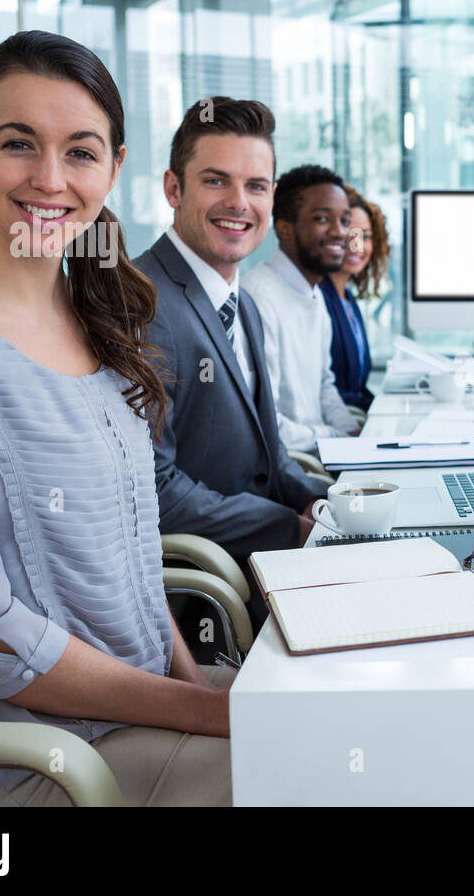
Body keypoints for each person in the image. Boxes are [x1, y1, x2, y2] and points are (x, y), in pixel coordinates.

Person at [0, 30, 233, 806]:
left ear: (115, 166)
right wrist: (204, 712)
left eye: (82, 152)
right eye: (18, 143)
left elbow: (130, 549)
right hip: (25, 761)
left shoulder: (99, 319)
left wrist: (197, 688)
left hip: (140, 714)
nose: (50, 179)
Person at [135, 98, 326, 629]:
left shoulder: (240, 303)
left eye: (257, 186)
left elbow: (271, 457)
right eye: (216, 181)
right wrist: (290, 526)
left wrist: (338, 505)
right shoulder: (143, 304)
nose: (239, 203)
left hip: (268, 567)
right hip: (211, 599)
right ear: (174, 189)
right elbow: (153, 487)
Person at [244, 164, 362, 454]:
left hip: (321, 451)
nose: (339, 232)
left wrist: (354, 432)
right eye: (322, 219)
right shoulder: (258, 298)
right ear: (284, 228)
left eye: (345, 221)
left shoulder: (315, 295)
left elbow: (325, 384)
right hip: (295, 466)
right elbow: (267, 424)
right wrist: (339, 439)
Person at [320, 184, 389, 410]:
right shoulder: (318, 298)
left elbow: (357, 387)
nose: (357, 245)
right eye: (349, 235)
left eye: (365, 236)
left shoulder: (348, 299)